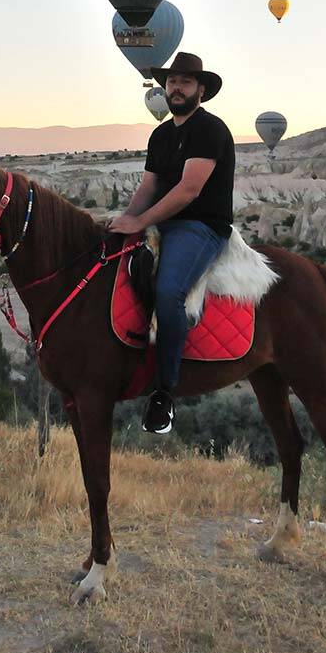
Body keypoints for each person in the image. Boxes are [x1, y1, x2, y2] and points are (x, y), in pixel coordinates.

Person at [109, 52, 235, 434]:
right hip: (162, 223)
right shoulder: (160, 134)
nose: (176, 87)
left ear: (201, 89)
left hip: (200, 226)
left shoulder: (209, 129)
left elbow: (189, 189)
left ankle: (164, 392)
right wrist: (125, 224)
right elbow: (148, 186)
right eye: (172, 82)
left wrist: (142, 221)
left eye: (185, 82)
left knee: (168, 292)